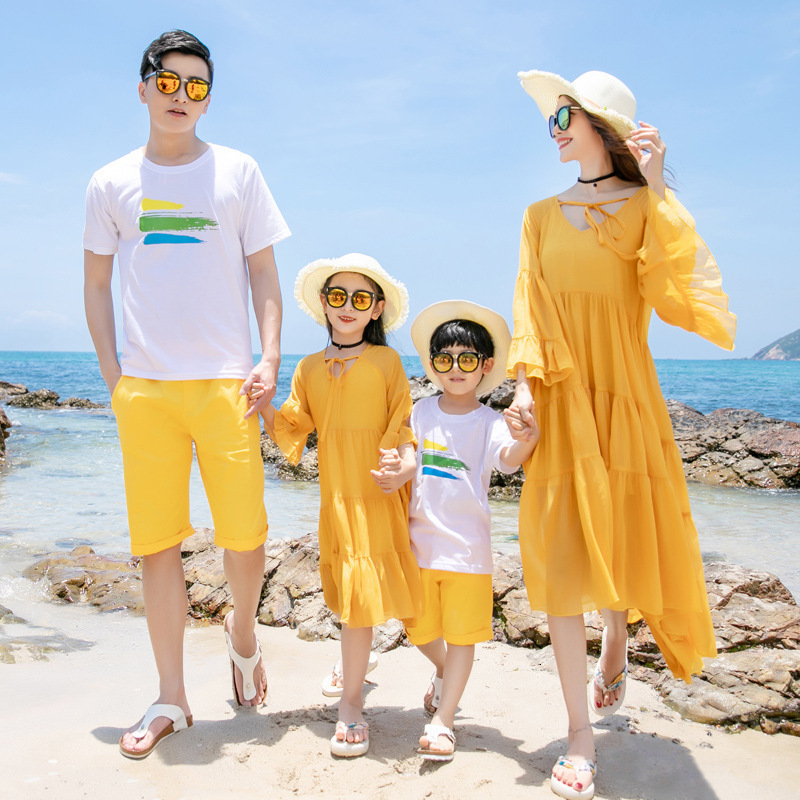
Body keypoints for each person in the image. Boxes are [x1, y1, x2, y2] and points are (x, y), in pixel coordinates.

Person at [507, 70, 736, 799]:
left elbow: (677, 292)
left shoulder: (645, 207)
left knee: (626, 531)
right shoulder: (538, 215)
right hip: (560, 396)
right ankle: (579, 735)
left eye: (563, 116)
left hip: (627, 395)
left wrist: (661, 185)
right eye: (550, 119)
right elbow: (529, 310)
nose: (553, 130)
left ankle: (618, 636)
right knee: (561, 559)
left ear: (599, 126)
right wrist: (521, 390)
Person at [83, 30, 290, 759]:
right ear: (143, 87)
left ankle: (242, 635)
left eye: (196, 86)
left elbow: (264, 274)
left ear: (209, 98)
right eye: (168, 82)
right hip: (146, 393)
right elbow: (98, 286)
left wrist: (268, 357)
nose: (180, 96)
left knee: (246, 535)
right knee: (156, 548)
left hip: (227, 388)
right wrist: (115, 382)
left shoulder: (238, 172)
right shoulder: (110, 182)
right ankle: (171, 692)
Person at [260, 253, 422, 758]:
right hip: (335, 497)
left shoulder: (388, 363)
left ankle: (354, 701)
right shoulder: (309, 368)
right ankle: (360, 686)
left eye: (360, 298)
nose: (347, 307)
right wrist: (259, 400)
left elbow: (406, 427)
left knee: (385, 597)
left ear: (376, 310)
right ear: (324, 306)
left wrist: (406, 466)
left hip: (378, 492)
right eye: (337, 297)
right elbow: (292, 426)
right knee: (357, 599)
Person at [375, 301, 539, 762]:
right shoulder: (420, 412)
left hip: (468, 551)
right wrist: (394, 468)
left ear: (486, 366)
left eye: (467, 359)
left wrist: (528, 438)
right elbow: (407, 458)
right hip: (419, 546)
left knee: (463, 636)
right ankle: (448, 673)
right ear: (434, 364)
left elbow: (507, 463)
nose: (456, 369)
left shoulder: (489, 422)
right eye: (445, 360)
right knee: (416, 627)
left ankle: (443, 721)